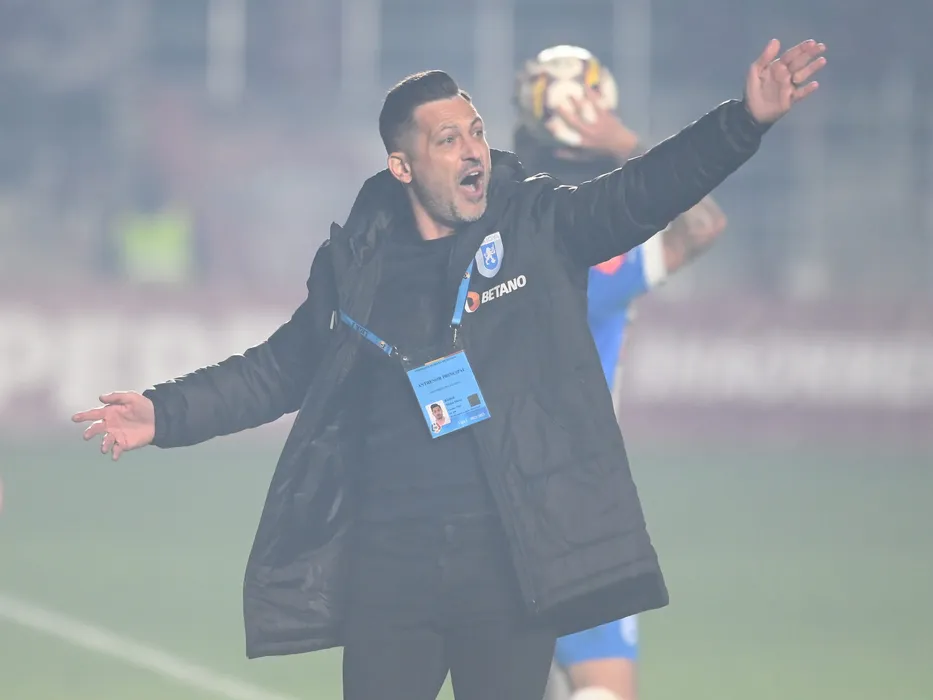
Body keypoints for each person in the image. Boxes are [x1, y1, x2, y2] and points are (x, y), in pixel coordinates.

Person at [71, 39, 826, 700]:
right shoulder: (357, 264)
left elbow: (643, 192)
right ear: (401, 165)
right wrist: (165, 412)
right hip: (388, 572)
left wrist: (744, 121)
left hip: (510, 568)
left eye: (476, 132)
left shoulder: (537, 225)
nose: (472, 151)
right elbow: (282, 368)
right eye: (447, 140)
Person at [514, 52, 728, 700]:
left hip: (494, 494)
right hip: (582, 500)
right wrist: (626, 142)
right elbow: (704, 226)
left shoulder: (494, 255)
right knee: (603, 688)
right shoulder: (607, 261)